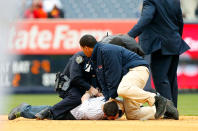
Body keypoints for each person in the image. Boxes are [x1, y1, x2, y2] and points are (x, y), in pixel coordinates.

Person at [79, 34, 179, 120]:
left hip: (137, 69)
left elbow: (114, 76)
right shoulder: (96, 58)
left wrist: (112, 97)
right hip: (129, 76)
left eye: (82, 49)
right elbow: (103, 80)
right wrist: (108, 98)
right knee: (132, 114)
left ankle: (158, 99)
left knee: (123, 89)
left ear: (86, 48)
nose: (83, 52)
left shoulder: (106, 50)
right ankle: (166, 110)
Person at [127, 0, 190, 109]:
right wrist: (176, 38)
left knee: (160, 78)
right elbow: (180, 21)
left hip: (160, 45)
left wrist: (129, 35)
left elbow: (146, 18)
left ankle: (168, 110)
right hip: (174, 42)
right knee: (171, 78)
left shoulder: (150, 0)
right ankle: (173, 108)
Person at [8, 51, 99, 120]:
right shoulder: (80, 56)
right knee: (71, 103)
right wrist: (90, 89)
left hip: (80, 89)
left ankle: (25, 109)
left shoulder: (97, 59)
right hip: (68, 86)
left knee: (65, 112)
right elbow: (75, 78)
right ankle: (39, 111)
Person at [7, 95, 124, 120]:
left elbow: (85, 97)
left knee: (51, 109)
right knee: (51, 115)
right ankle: (24, 109)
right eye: (112, 118)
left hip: (76, 105)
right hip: (73, 113)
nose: (114, 119)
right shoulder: (93, 113)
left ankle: (26, 109)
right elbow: (84, 100)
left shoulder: (105, 100)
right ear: (104, 115)